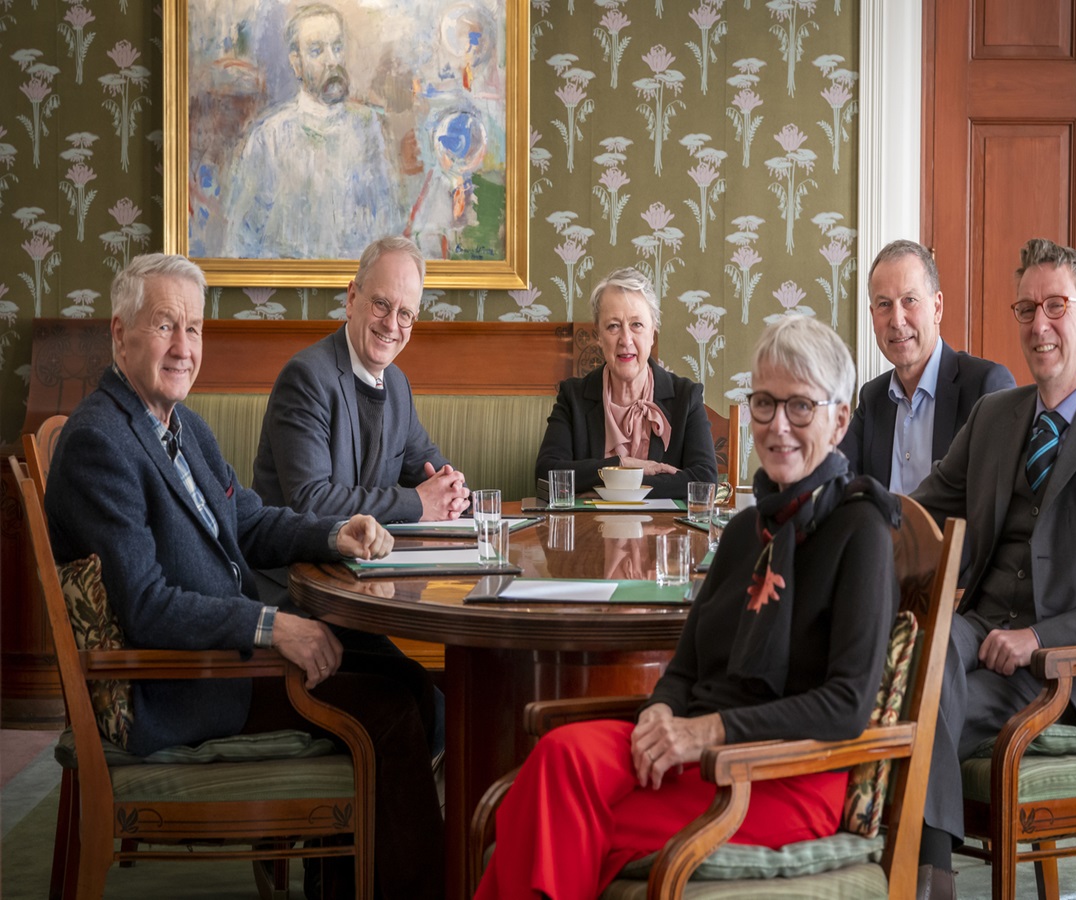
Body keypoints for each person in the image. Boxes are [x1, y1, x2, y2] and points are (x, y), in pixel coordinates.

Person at [43, 253, 444, 899]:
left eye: (194, 328)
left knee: (411, 682)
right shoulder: (100, 442)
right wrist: (272, 626)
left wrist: (333, 532)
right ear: (120, 334)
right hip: (184, 682)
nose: (183, 347)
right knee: (391, 712)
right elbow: (145, 604)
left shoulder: (181, 426)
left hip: (226, 655)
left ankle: (344, 886)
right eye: (165, 326)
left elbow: (248, 520)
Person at [478, 315, 901, 899]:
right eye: (764, 403)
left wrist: (708, 731)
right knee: (558, 757)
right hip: (697, 747)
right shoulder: (744, 530)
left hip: (781, 773)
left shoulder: (862, 531)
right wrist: (661, 712)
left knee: (548, 820)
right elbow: (686, 667)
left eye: (801, 406)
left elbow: (846, 707)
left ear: (840, 420)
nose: (778, 425)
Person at [909, 238, 1076, 899]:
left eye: (1056, 306)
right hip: (981, 632)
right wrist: (833, 508)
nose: (1039, 326)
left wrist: (1039, 637)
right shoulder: (994, 416)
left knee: (914, 700)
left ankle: (922, 880)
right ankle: (919, 875)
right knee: (908, 655)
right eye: (1027, 309)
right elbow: (918, 512)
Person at [253, 235, 464, 759]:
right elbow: (310, 500)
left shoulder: (397, 387)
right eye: (382, 304)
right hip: (297, 598)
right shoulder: (307, 377)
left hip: (356, 596)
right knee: (419, 704)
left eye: (406, 314)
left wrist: (453, 490)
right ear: (352, 298)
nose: (392, 324)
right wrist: (419, 503)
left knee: (432, 700)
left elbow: (431, 467)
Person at [222, 4, 406, 259]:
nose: (332, 60)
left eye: (337, 47)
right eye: (317, 51)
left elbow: (388, 225)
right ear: (296, 63)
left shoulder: (367, 128)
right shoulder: (269, 138)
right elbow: (240, 241)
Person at [841, 240, 1015, 493]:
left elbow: (1000, 498)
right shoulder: (873, 397)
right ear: (872, 315)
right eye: (884, 304)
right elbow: (838, 480)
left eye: (909, 300)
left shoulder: (985, 386)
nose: (897, 321)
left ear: (937, 307)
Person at [535, 268, 718, 499]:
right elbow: (546, 475)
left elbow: (705, 481)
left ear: (653, 332)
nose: (625, 339)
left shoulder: (686, 396)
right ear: (598, 335)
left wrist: (612, 485)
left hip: (662, 524)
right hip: (591, 524)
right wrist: (620, 464)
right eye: (613, 326)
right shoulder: (573, 397)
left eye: (636, 325)